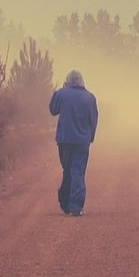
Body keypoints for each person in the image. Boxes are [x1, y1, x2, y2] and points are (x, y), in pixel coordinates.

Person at [49, 69, 98, 216]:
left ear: (67, 80)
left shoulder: (61, 94)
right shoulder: (90, 97)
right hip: (82, 141)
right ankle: (75, 206)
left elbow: (53, 110)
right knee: (77, 172)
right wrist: (91, 137)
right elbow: (93, 119)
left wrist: (61, 91)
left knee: (68, 170)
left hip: (64, 140)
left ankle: (65, 202)